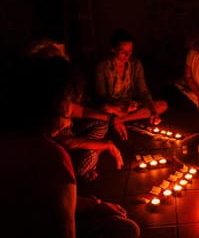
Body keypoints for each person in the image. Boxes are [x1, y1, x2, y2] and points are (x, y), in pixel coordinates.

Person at [1, 56, 140, 238]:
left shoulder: (9, 137)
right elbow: (65, 225)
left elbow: (52, 201)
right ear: (54, 105)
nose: (70, 112)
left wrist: (97, 205)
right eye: (68, 101)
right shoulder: (53, 157)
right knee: (127, 229)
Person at [28, 38, 125, 183]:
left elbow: (80, 111)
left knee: (101, 122)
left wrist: (112, 118)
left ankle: (90, 155)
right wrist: (105, 145)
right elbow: (64, 142)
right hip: (54, 155)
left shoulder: (60, 90)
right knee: (88, 157)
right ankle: (83, 166)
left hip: (69, 137)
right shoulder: (38, 100)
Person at [95, 28, 168, 134]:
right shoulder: (103, 67)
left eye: (130, 51)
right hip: (114, 107)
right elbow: (101, 96)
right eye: (123, 52)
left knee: (162, 105)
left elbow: (143, 91)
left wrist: (153, 111)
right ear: (113, 49)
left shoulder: (135, 64)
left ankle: (121, 120)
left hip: (130, 107)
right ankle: (119, 119)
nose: (127, 55)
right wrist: (119, 105)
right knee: (105, 108)